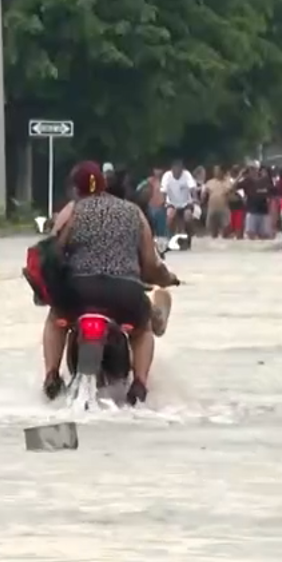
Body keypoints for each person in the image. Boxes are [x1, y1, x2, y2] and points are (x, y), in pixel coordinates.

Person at [41, 161, 179, 406]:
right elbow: (150, 264)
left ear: (75, 188)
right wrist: (167, 278)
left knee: (55, 320)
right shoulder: (133, 212)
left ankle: (52, 375)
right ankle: (140, 383)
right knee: (143, 329)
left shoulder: (72, 210)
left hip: (78, 293)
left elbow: (51, 252)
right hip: (124, 294)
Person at [161, 160, 198, 237]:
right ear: (172, 170)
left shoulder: (186, 174)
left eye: (179, 171)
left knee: (188, 217)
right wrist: (164, 202)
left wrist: (195, 198)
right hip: (172, 203)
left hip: (185, 202)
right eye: (175, 171)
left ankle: (190, 234)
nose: (177, 173)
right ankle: (172, 235)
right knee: (169, 218)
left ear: (182, 169)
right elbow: (164, 191)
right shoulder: (167, 176)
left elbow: (192, 188)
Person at [238, 165, 275, 239]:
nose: (254, 172)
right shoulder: (248, 180)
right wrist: (239, 176)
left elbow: (273, 196)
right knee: (251, 235)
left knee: (265, 236)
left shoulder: (267, 182)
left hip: (264, 212)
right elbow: (233, 187)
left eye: (255, 170)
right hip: (252, 212)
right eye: (251, 170)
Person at [204, 166, 235, 238]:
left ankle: (226, 241)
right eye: (215, 170)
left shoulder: (228, 182)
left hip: (223, 208)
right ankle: (214, 242)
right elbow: (205, 194)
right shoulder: (210, 182)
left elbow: (230, 192)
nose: (215, 172)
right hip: (212, 209)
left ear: (222, 172)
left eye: (217, 170)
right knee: (213, 230)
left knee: (225, 229)